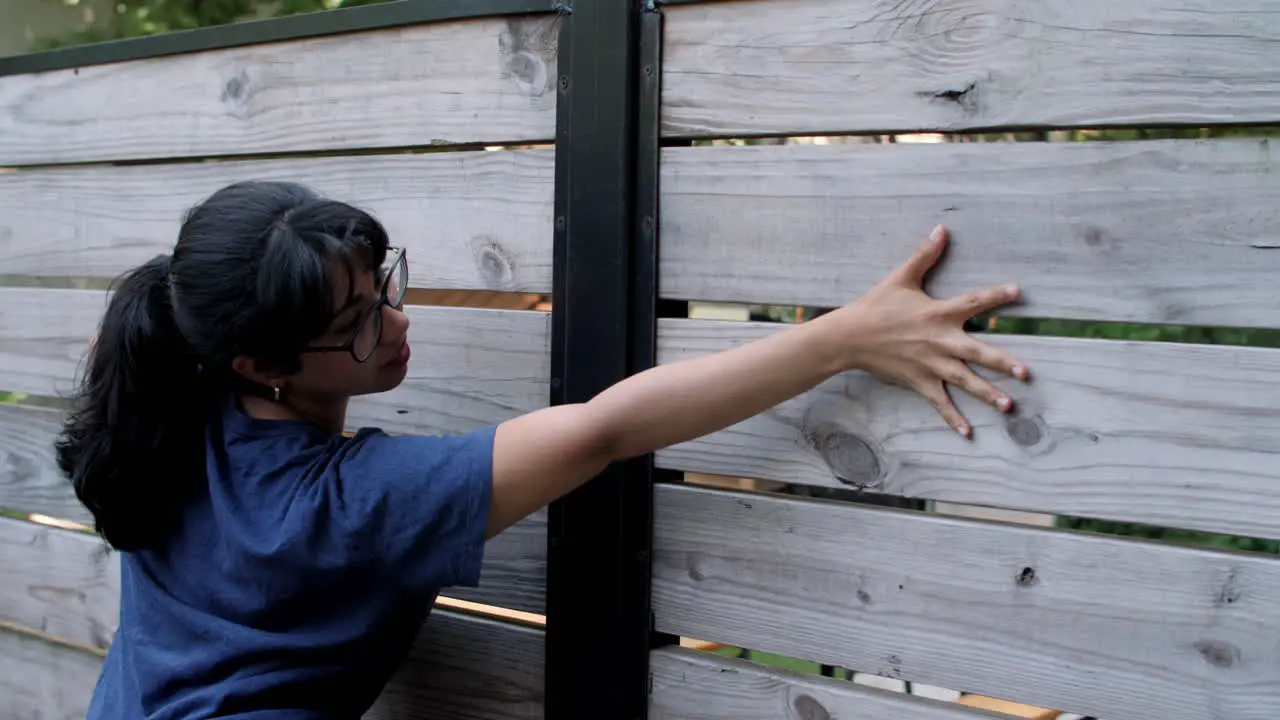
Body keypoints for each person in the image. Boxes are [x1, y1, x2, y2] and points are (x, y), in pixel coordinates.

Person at [55, 180, 1028, 719]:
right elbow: (604, 428)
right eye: (353, 323)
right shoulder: (339, 508)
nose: (394, 324)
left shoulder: (175, 413)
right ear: (260, 363)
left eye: (383, 285)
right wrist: (841, 339)